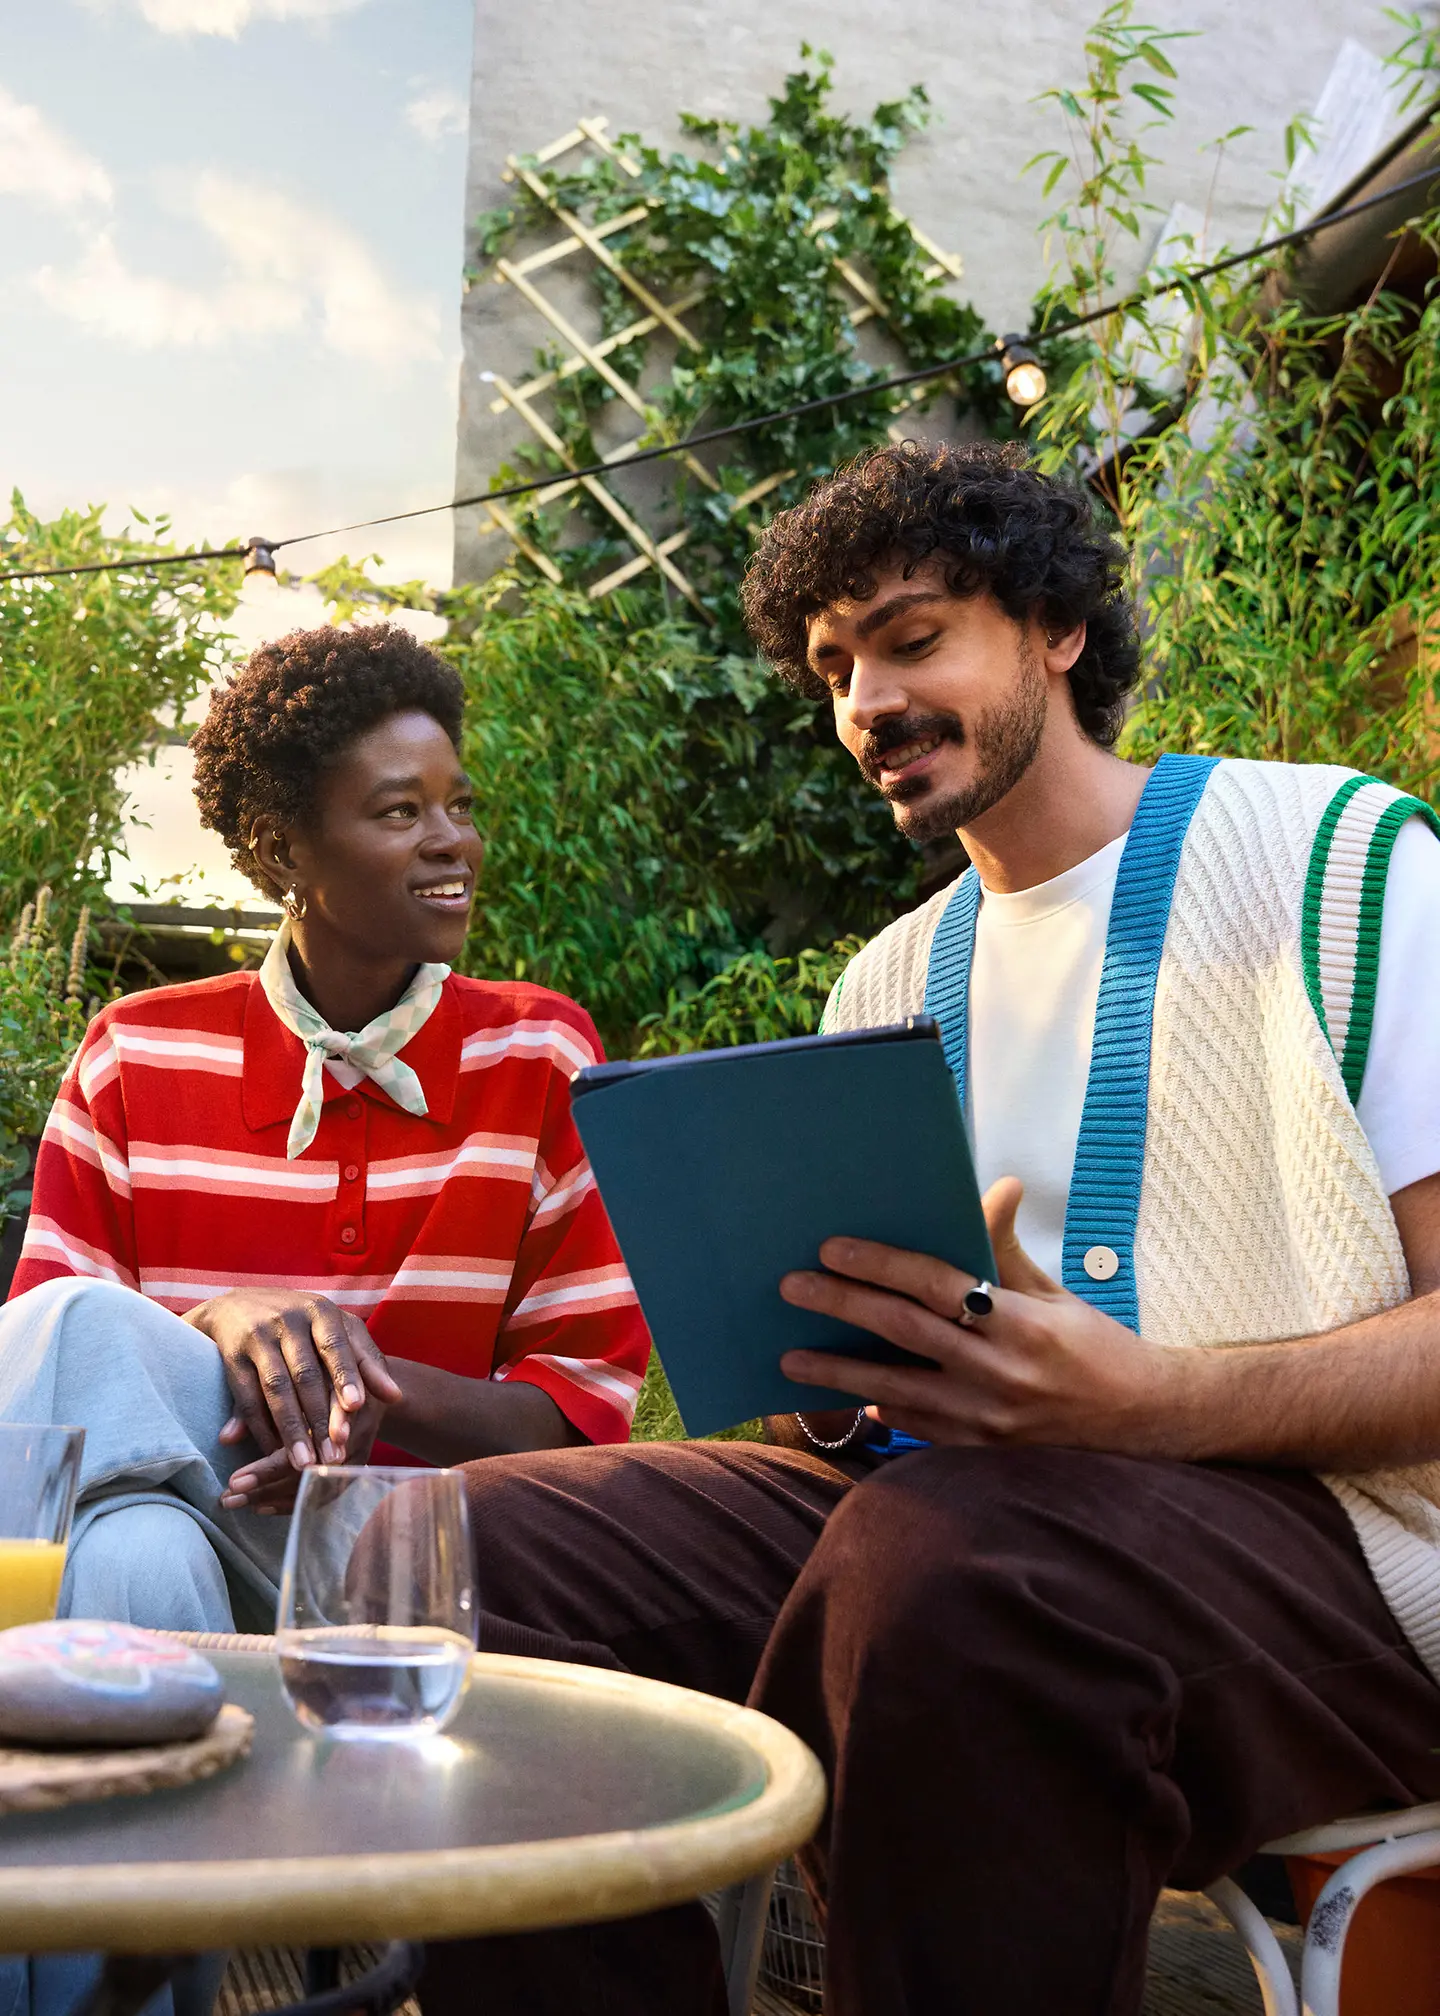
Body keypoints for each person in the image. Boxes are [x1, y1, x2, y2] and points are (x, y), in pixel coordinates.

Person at [420, 441, 1440, 2016]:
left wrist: (1141, 1401)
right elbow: (859, 1409)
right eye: (834, 668)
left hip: (1353, 1560)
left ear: (1057, 628)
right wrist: (845, 1369)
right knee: (472, 1553)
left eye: (911, 638)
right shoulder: (885, 987)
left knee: (955, 1566)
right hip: (929, 1523)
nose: (865, 702)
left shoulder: (1341, 861)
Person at [0, 621, 647, 1634]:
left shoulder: (538, 1056)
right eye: (401, 810)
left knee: (78, 1328)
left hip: (426, 1557)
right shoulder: (135, 1053)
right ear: (281, 848)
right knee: (137, 1544)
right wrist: (227, 1326)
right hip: (205, 1535)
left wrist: (346, 1375)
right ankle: (186, 1793)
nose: (453, 841)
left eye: (459, 806)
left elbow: (575, 1419)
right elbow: (46, 1418)